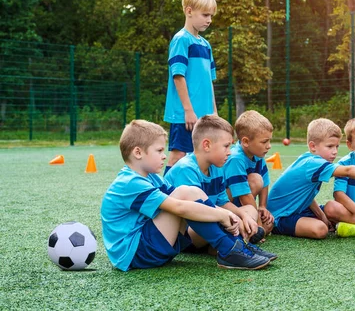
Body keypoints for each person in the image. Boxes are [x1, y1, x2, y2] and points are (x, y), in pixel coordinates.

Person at [100, 119, 271, 271]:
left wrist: (230, 214)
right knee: (186, 192)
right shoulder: (129, 182)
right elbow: (179, 206)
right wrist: (223, 214)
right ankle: (229, 249)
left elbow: (185, 199)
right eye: (159, 150)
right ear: (138, 153)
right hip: (135, 254)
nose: (164, 156)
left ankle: (234, 246)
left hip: (148, 245)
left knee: (190, 192)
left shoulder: (150, 177)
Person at [266, 118, 355, 239]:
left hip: (299, 209)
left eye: (336, 147)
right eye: (329, 147)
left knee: (328, 214)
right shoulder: (313, 163)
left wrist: (320, 214)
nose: (334, 152)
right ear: (313, 146)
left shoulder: (313, 161)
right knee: (320, 229)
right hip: (281, 216)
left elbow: (306, 196)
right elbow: (348, 171)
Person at [165, 115, 277, 260]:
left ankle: (226, 246)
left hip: (211, 220)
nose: (229, 151)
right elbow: (195, 210)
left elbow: (223, 202)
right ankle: (232, 246)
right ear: (207, 145)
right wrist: (230, 216)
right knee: (221, 216)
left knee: (249, 210)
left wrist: (243, 216)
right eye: (226, 146)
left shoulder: (216, 167)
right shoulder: (186, 169)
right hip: (187, 233)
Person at [164, 0, 218, 175]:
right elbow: (178, 75)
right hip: (185, 115)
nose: (209, 20)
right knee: (179, 154)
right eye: (205, 15)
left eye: (211, 15)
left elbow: (210, 81)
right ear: (189, 11)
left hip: (204, 115)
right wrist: (188, 110)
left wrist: (214, 112)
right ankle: (165, 196)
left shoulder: (205, 45)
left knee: (204, 156)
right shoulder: (181, 40)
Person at [222, 110, 275, 241]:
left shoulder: (258, 153)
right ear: (246, 141)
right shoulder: (236, 159)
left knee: (258, 179)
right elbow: (244, 196)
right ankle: (248, 225)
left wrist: (262, 206)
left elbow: (265, 181)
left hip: (242, 203)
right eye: (264, 142)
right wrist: (259, 227)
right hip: (225, 203)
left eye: (269, 141)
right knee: (255, 179)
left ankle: (248, 221)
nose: (269, 146)